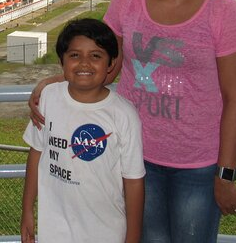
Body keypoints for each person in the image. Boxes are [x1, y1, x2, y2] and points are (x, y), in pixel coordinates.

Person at [30, 0, 236, 243]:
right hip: (136, 158)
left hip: (198, 165)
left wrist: (226, 173)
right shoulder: (126, 1)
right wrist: (52, 83)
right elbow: (106, 62)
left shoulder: (223, 10)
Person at [21, 18, 145, 243]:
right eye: (74, 55)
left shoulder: (124, 114)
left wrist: (133, 238)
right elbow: (36, 153)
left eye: (96, 56)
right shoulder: (49, 97)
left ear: (111, 64)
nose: (84, 64)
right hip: (54, 231)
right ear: (62, 61)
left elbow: (134, 181)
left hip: (106, 232)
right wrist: (27, 211)